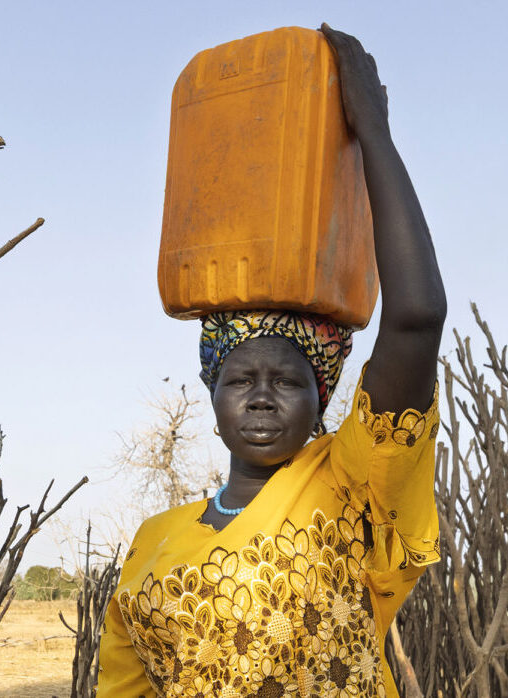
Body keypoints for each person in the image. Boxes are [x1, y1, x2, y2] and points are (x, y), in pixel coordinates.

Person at [97, 23, 446, 697]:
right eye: (241, 380)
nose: (261, 398)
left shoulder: (351, 489)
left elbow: (416, 318)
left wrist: (371, 129)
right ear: (213, 390)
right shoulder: (153, 540)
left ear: (322, 397)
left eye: (288, 379)